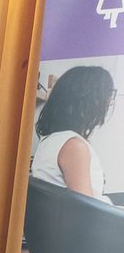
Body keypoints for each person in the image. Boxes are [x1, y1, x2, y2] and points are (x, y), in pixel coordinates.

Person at [32, 65, 117, 201]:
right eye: (107, 95)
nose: (110, 103)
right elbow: (84, 211)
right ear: (87, 101)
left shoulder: (51, 141)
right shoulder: (74, 146)